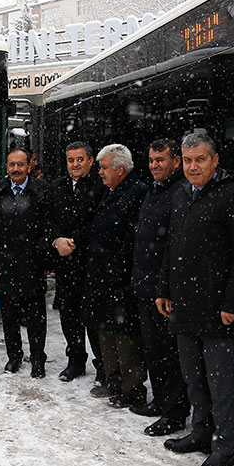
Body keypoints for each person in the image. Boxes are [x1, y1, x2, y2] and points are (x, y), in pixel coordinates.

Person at [157, 133, 234, 466]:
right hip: (184, 305)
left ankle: (223, 448)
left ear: (215, 160)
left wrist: (232, 302)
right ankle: (200, 432)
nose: (193, 166)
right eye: (187, 160)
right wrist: (163, 289)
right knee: (194, 379)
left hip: (218, 309)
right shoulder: (181, 195)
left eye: (200, 159)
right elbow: (172, 245)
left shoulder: (232, 195)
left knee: (221, 384)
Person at [129, 139, 191, 436]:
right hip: (144, 284)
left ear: (175, 162)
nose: (155, 165)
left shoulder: (180, 192)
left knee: (170, 353)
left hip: (164, 288)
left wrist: (164, 286)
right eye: (152, 160)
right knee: (153, 350)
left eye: (161, 160)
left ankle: (175, 412)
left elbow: (173, 244)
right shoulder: (154, 189)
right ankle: (160, 400)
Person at [81, 144, 147, 405]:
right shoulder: (111, 191)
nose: (100, 172)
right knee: (106, 331)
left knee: (125, 336)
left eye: (104, 167)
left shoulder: (137, 193)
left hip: (121, 279)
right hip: (103, 277)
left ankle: (132, 390)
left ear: (120, 169)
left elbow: (132, 238)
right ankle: (114, 381)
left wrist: (117, 270)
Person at [0, 148, 52, 378]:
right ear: (6, 167)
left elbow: (47, 227)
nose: (15, 169)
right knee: (10, 317)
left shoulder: (42, 191)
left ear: (29, 167)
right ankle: (14, 357)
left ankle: (38, 359)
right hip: (6, 264)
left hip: (33, 264)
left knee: (36, 318)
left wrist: (45, 259)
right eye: (11, 165)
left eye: (20, 164)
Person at [49, 142, 106, 382]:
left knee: (93, 317)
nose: (75, 164)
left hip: (91, 264)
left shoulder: (102, 187)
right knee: (69, 316)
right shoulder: (57, 187)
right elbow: (47, 219)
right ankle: (75, 361)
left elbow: (99, 222)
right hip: (64, 265)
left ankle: (103, 366)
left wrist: (73, 240)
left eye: (80, 159)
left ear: (91, 161)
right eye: (71, 160)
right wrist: (56, 240)